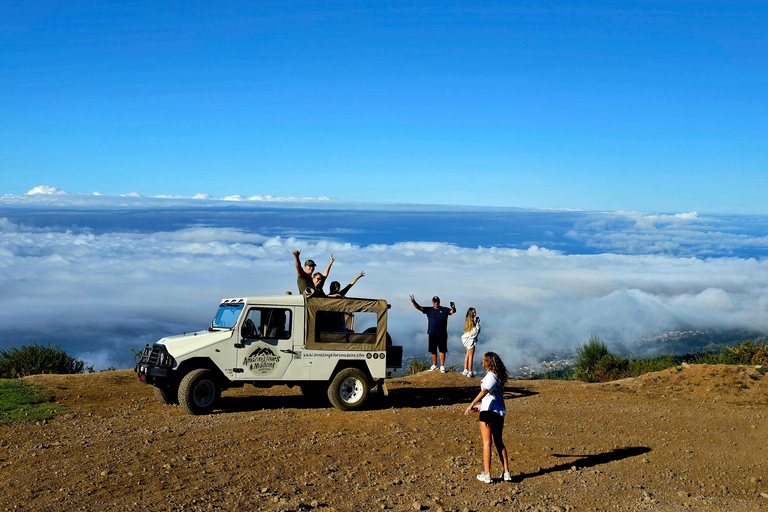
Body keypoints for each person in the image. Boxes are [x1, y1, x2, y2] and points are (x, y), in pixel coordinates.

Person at [464, 351, 511, 484]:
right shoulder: (498, 377)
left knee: (487, 443)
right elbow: (493, 397)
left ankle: (487, 474)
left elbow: (485, 391)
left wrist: (472, 404)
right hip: (498, 412)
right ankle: (506, 472)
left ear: (488, 362)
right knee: (499, 442)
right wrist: (480, 406)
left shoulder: (490, 376)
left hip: (488, 413)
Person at [409, 295, 456, 373]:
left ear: (439, 302)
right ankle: (435, 365)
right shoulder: (429, 309)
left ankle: (442, 366)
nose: (436, 303)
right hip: (432, 332)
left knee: (442, 349)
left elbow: (452, 311)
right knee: (433, 350)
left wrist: (453, 307)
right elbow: (418, 307)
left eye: (437, 301)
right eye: (435, 301)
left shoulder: (444, 309)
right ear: (432, 302)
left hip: (442, 333)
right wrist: (413, 301)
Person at [461, 308, 481, 378]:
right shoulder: (472, 321)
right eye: (473, 313)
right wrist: (477, 324)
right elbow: (474, 332)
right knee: (471, 357)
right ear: (471, 313)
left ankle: (465, 370)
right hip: (471, 342)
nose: (475, 314)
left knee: (467, 355)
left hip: (467, 341)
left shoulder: (467, 320)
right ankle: (470, 372)